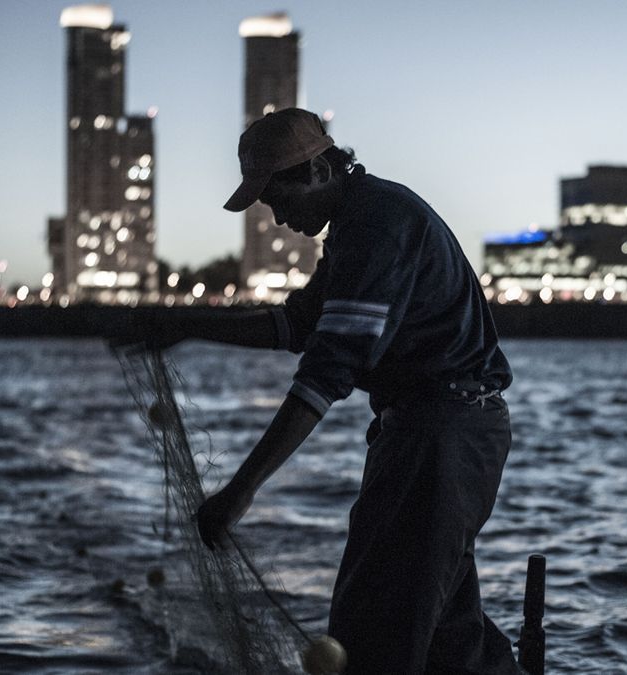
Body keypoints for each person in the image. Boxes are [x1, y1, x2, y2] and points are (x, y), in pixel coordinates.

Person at [147, 108, 520, 674]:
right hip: (434, 433)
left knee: (375, 624)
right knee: (444, 626)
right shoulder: (357, 225)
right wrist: (188, 325)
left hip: (442, 434)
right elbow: (297, 325)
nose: (277, 218)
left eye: (279, 200)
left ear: (319, 169)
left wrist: (241, 490)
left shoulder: (377, 225)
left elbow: (327, 371)